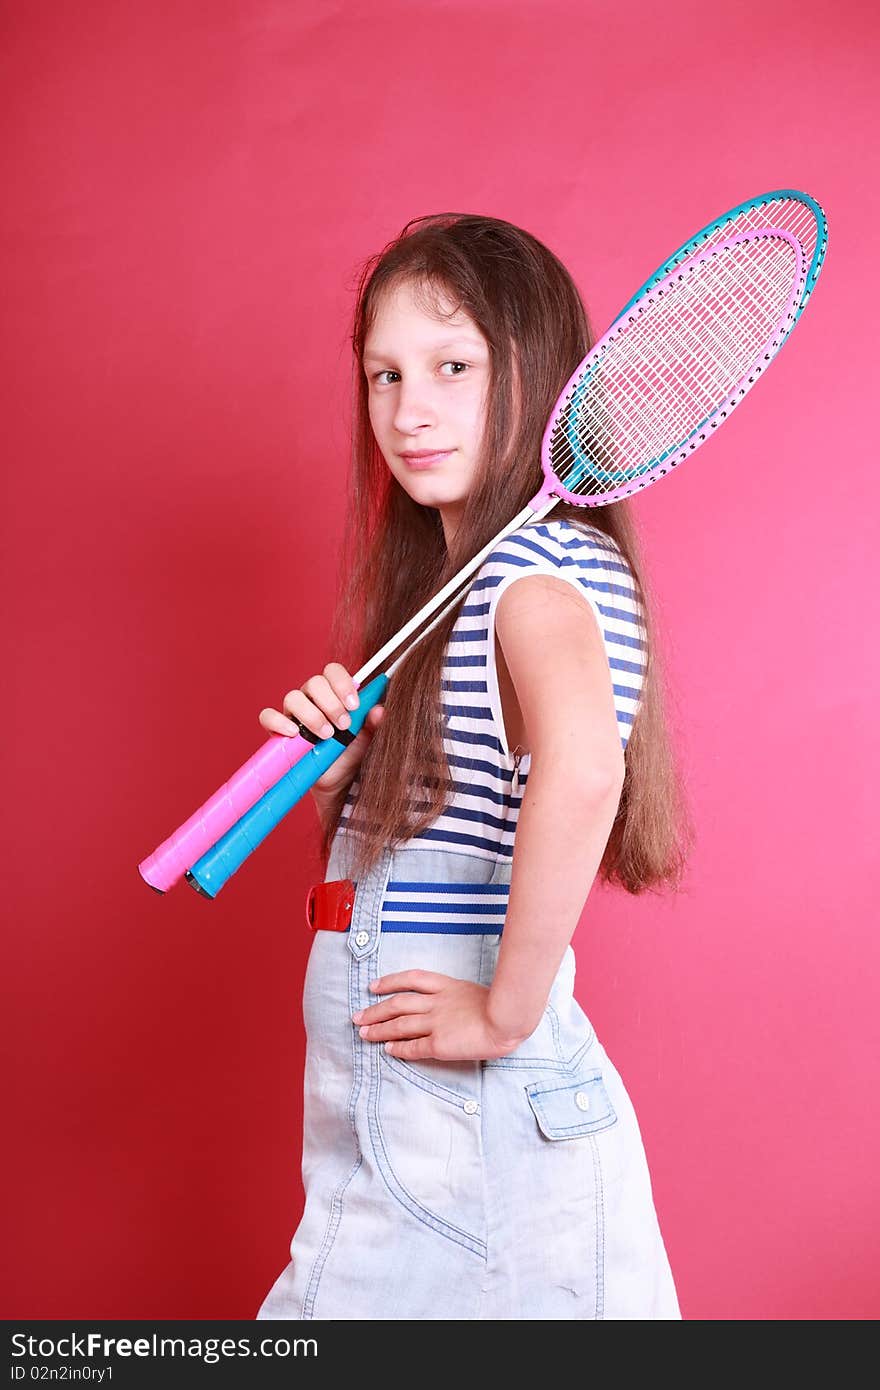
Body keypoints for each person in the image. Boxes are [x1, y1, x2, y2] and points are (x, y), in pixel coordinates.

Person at [255, 213, 691, 1320]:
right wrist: (338, 766)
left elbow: (584, 771)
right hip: (406, 1095)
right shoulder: (454, 589)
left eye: (453, 366)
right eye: (383, 374)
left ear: (538, 376)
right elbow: (459, 815)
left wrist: (504, 1012)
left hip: (466, 1113)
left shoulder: (532, 574)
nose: (411, 410)